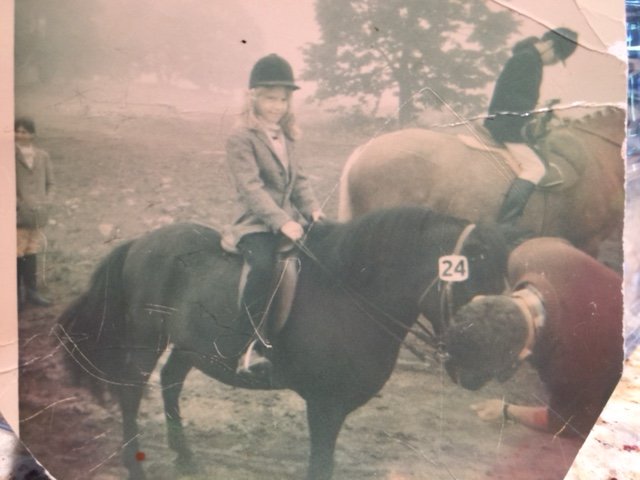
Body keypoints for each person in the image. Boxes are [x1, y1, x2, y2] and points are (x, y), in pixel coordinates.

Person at [443, 237, 623, 437]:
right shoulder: (526, 255)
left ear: (523, 355)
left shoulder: (571, 365)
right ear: (481, 299)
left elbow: (567, 422)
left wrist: (507, 410)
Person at [223, 54, 324, 378]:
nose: (276, 105)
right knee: (265, 268)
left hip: (292, 221)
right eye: (269, 98)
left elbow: (300, 181)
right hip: (256, 224)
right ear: (253, 96)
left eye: (282, 99)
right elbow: (251, 189)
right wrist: (282, 221)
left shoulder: (288, 135)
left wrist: (313, 210)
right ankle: (247, 346)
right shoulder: (241, 137)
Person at [484, 28, 578, 224]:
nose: (554, 62)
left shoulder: (529, 58)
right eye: (557, 56)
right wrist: (539, 109)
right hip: (505, 125)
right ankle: (505, 223)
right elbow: (509, 97)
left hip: (510, 123)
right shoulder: (527, 60)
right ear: (550, 45)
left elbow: (519, 96)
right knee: (535, 168)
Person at [15, 116, 54, 308]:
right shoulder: (8, 155)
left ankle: (32, 293)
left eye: (24, 131)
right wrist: (17, 204)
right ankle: (16, 297)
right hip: (18, 215)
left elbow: (51, 183)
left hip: (38, 214)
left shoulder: (42, 156)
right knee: (16, 253)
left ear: (33, 134)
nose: (20, 134)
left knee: (32, 251)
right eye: (18, 131)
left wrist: (46, 202)